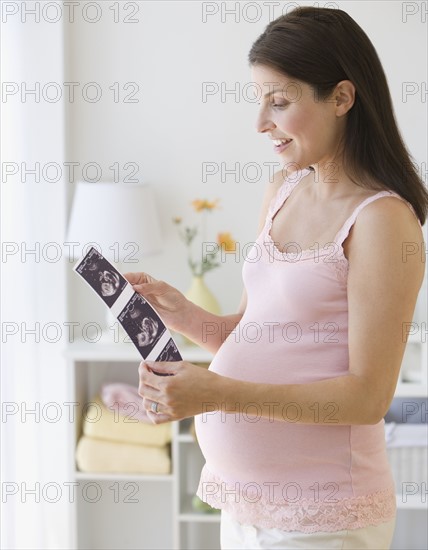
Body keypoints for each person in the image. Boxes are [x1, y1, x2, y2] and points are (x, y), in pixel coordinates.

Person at [125, 7, 427, 549]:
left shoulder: (382, 221)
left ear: (341, 98)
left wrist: (219, 393)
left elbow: (368, 397)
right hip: (244, 505)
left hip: (326, 517)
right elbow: (255, 333)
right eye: (259, 100)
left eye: (280, 102)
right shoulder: (283, 190)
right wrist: (184, 315)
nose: (260, 122)